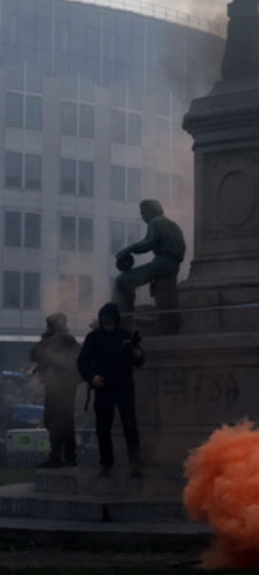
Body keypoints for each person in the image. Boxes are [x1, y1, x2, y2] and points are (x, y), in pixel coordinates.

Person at [77, 303, 145, 477]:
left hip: (124, 387)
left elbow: (138, 360)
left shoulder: (125, 336)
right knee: (103, 428)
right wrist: (92, 377)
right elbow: (83, 362)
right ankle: (106, 463)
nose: (109, 327)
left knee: (130, 425)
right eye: (105, 323)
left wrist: (138, 354)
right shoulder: (93, 338)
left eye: (111, 323)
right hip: (103, 387)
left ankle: (135, 462)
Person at [113, 199, 186, 315]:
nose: (142, 217)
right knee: (165, 301)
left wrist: (129, 249)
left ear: (152, 210)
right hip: (172, 266)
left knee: (123, 280)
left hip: (161, 264)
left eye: (143, 213)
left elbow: (148, 243)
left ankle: (124, 318)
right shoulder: (173, 225)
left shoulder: (156, 222)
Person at [28, 314, 80, 468]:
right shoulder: (50, 340)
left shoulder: (67, 340)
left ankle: (67, 456)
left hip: (64, 387)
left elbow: (75, 359)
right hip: (53, 386)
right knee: (53, 422)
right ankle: (58, 456)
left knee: (64, 422)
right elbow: (33, 355)